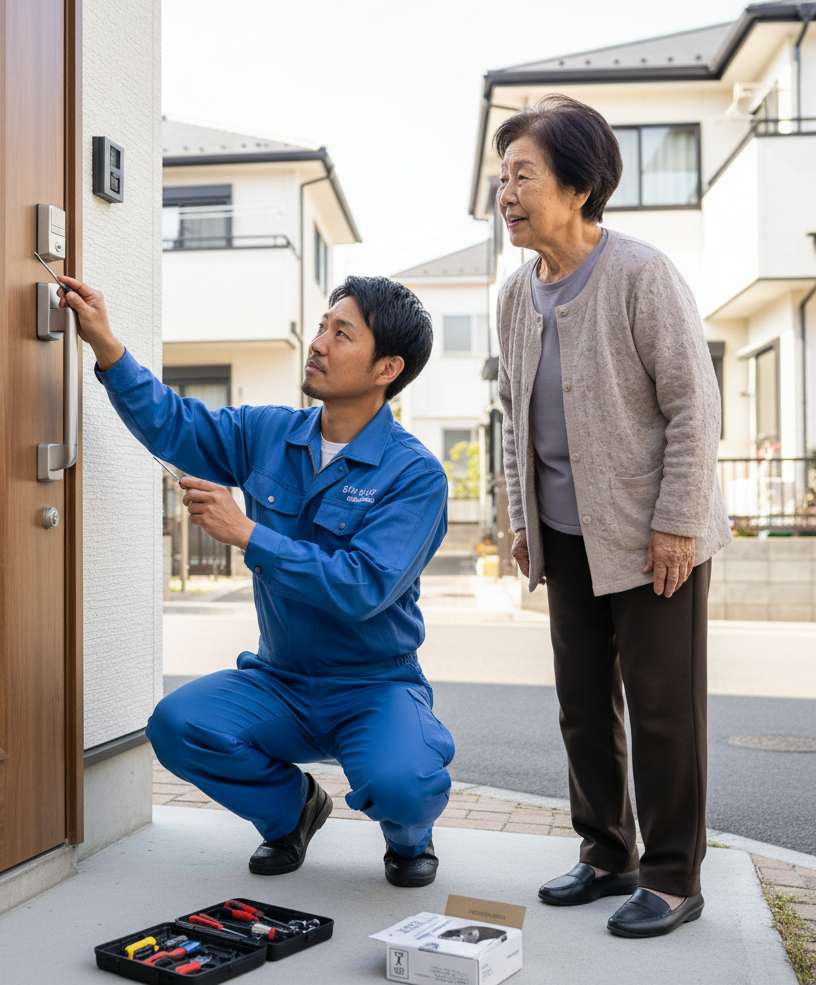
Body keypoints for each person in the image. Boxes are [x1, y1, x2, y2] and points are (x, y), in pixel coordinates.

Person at [57, 270, 454, 887]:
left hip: (373, 686)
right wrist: (107, 345)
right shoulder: (270, 433)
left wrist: (246, 533)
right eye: (322, 327)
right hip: (282, 681)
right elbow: (174, 424)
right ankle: (291, 812)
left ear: (387, 369)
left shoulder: (414, 475)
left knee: (402, 783)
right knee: (177, 725)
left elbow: (362, 587)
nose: (318, 343)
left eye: (341, 334)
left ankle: (408, 838)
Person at [493, 95, 731, 938]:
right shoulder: (516, 294)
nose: (506, 193)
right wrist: (521, 519)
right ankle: (606, 853)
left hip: (650, 529)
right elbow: (514, 415)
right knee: (582, 702)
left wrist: (676, 524)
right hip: (564, 532)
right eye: (502, 178)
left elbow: (694, 409)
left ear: (580, 182)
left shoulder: (641, 273)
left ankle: (672, 876)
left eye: (522, 174)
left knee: (665, 707)